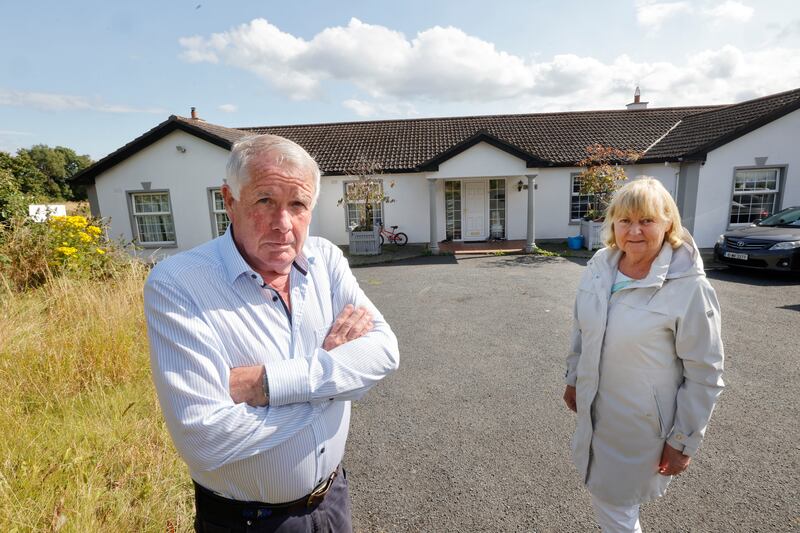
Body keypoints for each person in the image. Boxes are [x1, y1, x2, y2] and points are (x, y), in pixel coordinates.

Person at [145, 134, 399, 532]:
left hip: (333, 498)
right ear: (230, 201)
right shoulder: (179, 284)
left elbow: (384, 351)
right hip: (249, 521)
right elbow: (203, 439)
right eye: (265, 201)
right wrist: (335, 380)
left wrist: (266, 384)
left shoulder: (324, 258)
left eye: (298, 205)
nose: (283, 225)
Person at [562, 177, 724, 532]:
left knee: (616, 509)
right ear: (613, 224)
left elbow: (705, 373)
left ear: (668, 223)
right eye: (625, 220)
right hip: (596, 412)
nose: (634, 230)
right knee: (613, 505)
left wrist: (683, 440)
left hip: (641, 427)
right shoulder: (600, 266)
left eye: (646, 220)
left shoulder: (690, 287)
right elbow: (582, 327)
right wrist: (574, 378)